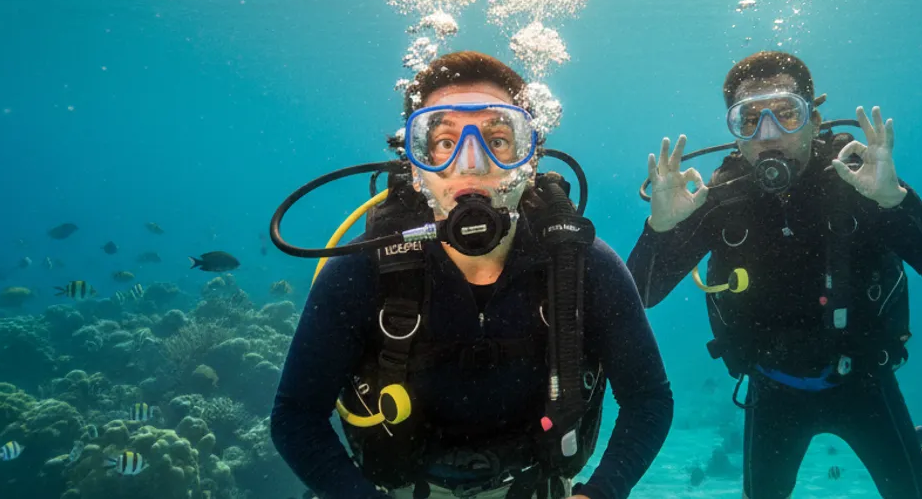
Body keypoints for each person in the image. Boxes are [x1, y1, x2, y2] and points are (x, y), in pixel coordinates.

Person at [272, 51, 673, 499]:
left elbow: (649, 401)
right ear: (415, 164)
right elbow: (296, 416)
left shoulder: (584, 265)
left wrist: (598, 493)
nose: (471, 164)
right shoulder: (363, 270)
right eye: (443, 142)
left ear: (531, 157)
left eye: (498, 140)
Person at [627, 51, 922, 499]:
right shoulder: (719, 199)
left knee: (916, 493)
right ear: (735, 133)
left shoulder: (861, 182)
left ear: (814, 119)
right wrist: (659, 231)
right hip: (771, 388)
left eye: (787, 114)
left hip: (864, 381)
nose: (768, 135)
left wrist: (897, 202)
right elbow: (638, 298)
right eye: (748, 119)